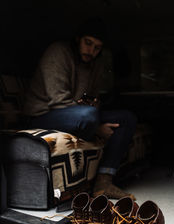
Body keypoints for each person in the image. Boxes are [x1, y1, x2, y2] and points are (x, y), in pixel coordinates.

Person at [23, 18, 137, 200]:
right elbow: (57, 100)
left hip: (76, 113)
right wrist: (98, 126)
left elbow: (93, 99)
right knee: (88, 116)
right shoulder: (58, 52)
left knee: (126, 118)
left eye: (97, 47)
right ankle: (91, 125)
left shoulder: (95, 64)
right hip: (43, 114)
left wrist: (93, 107)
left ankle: (104, 182)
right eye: (88, 43)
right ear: (78, 39)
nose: (91, 51)